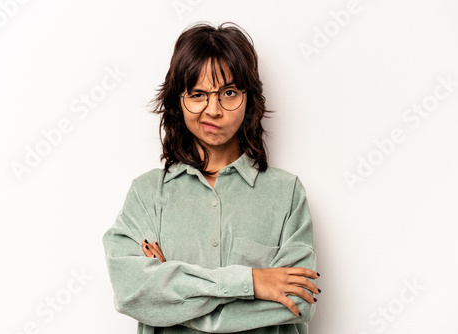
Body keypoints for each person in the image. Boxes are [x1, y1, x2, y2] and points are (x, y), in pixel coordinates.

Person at [102, 22, 320, 334]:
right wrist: (253, 282)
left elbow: (300, 302)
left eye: (229, 93)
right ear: (179, 100)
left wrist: (171, 295)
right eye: (198, 94)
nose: (213, 109)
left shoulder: (286, 193)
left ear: (248, 98)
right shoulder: (146, 194)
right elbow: (132, 293)